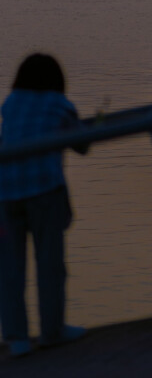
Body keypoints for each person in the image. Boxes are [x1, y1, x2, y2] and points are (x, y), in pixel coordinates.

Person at [0, 53, 88, 357]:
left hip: (5, 193)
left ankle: (17, 339)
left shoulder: (10, 103)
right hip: (44, 191)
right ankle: (52, 331)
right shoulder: (59, 104)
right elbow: (82, 144)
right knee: (50, 264)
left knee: (10, 270)